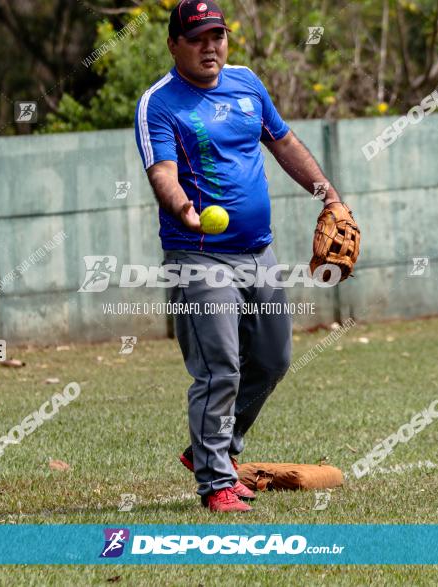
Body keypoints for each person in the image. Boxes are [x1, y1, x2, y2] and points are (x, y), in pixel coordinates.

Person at [134, 0, 347, 512]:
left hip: (259, 251)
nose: (210, 47)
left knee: (272, 360)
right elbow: (161, 169)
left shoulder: (247, 83)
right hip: (198, 255)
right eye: (198, 38)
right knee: (219, 367)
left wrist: (330, 196)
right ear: (174, 44)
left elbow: (285, 142)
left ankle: (212, 451)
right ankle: (216, 483)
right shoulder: (159, 103)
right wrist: (181, 205)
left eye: (218, 36)